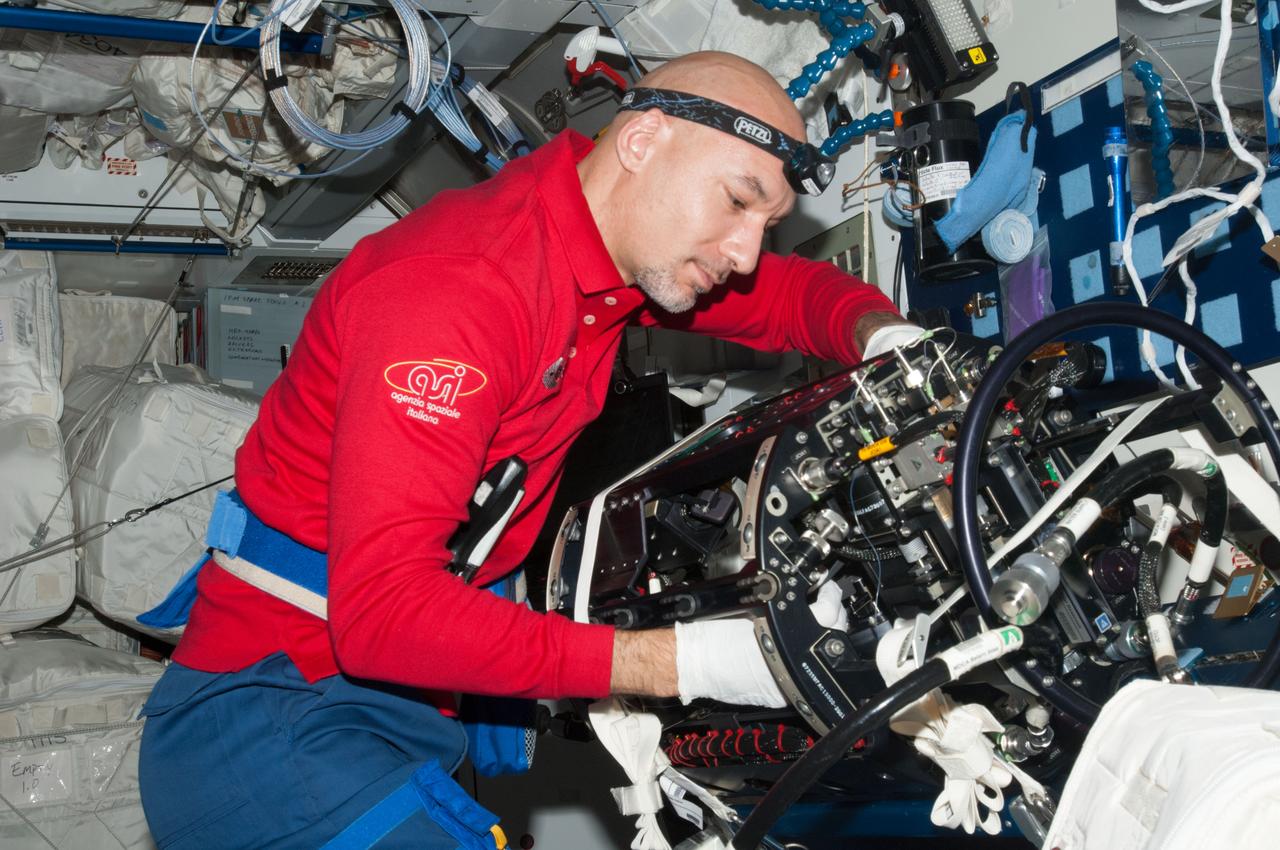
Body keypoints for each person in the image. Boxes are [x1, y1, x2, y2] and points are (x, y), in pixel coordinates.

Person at [137, 50, 922, 848]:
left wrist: (884, 336)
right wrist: (680, 663)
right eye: (737, 201)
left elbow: (792, 295)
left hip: (389, 705)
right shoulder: (460, 293)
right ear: (644, 141)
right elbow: (383, 617)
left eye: (767, 223)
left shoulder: (602, 255)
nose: (747, 250)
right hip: (272, 718)